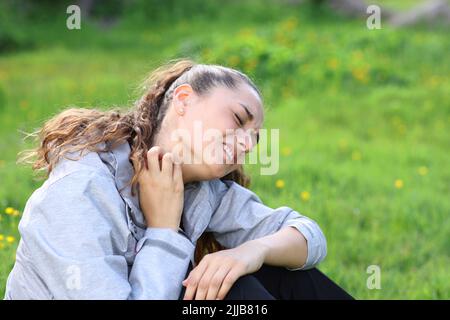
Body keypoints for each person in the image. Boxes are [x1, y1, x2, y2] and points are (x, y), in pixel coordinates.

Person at [4, 59, 352, 300]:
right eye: (238, 118)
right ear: (184, 101)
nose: (247, 144)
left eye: (255, 139)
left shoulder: (204, 191)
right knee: (232, 296)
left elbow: (307, 234)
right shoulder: (80, 192)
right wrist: (163, 232)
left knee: (282, 276)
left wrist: (251, 252)